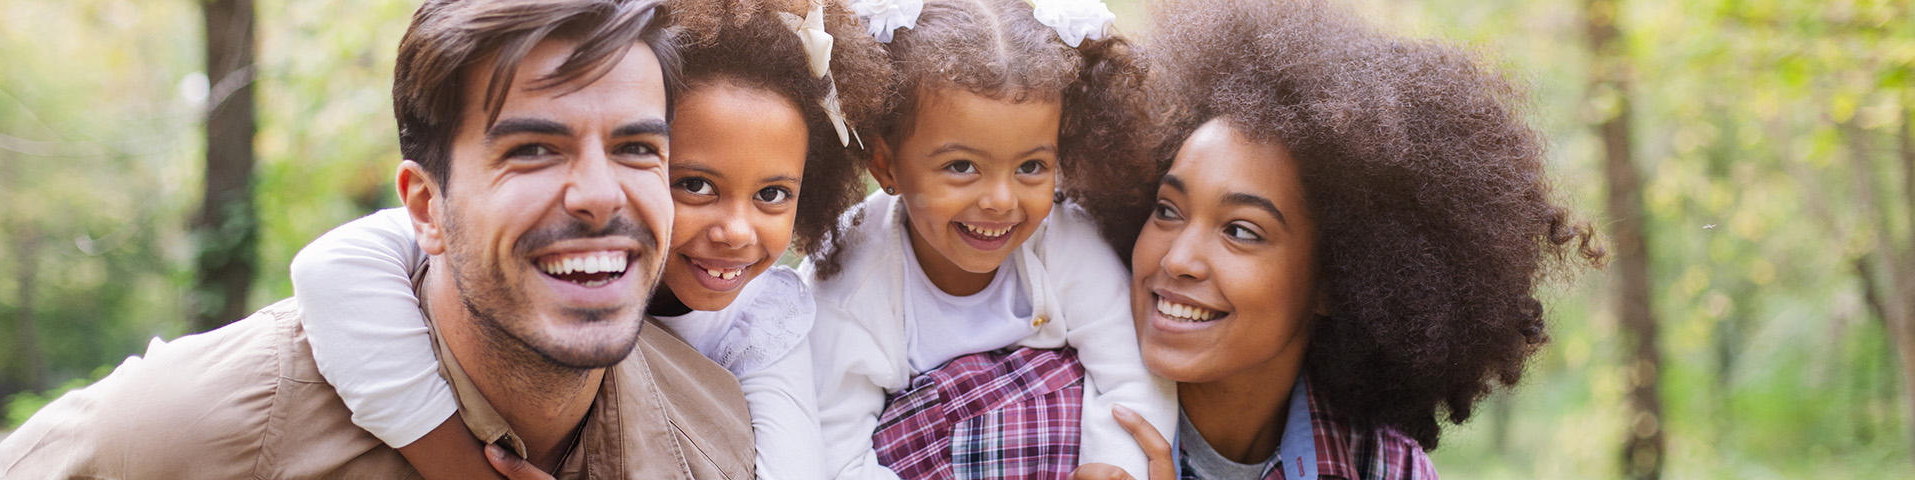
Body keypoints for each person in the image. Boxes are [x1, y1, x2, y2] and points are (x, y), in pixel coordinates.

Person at [0, 0, 757, 478]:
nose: (598, 195)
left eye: (636, 150)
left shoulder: (718, 437)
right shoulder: (196, 430)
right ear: (426, 209)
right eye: (532, 149)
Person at [287, 0, 892, 478]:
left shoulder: (763, 320)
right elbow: (331, 268)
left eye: (772, 196)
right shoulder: (524, 230)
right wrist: (461, 468)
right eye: (696, 185)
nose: (735, 231)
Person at [1084, 0, 1608, 478]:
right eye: (1167, 210)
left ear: (1336, 282)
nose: (1177, 259)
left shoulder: (1385, 466)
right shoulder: (1044, 424)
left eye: (1241, 230)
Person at [806, 0, 1175, 478]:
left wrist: (1114, 462)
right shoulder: (848, 284)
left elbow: (1131, 370)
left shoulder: (1063, 238)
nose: (1002, 200)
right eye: (961, 167)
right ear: (885, 164)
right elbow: (836, 456)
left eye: (1031, 167)